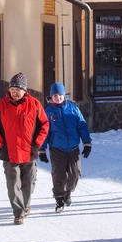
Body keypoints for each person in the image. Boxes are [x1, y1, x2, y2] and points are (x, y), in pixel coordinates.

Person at [0, 72, 49, 225]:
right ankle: (18, 213)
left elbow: (44, 126)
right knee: (13, 184)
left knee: (29, 182)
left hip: (29, 152)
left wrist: (37, 144)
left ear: (24, 90)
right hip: (10, 153)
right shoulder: (0, 106)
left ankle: (26, 205)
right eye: (12, 89)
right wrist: (1, 145)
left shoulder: (34, 104)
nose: (14, 92)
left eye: (18, 89)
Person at [40, 82, 92, 213]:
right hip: (56, 149)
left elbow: (82, 126)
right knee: (59, 175)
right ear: (51, 97)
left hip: (73, 148)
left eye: (60, 95)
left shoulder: (73, 109)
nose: (58, 98)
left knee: (75, 174)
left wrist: (86, 143)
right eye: (55, 95)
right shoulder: (48, 112)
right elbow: (44, 132)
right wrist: (42, 149)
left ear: (64, 95)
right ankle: (59, 199)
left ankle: (68, 192)